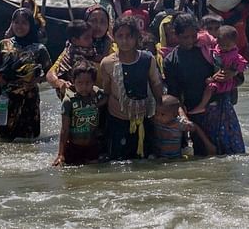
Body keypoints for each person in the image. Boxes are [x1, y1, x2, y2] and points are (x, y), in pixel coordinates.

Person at [163, 14, 245, 155]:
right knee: (204, 155)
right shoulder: (171, 61)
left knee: (232, 155)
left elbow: (240, 79)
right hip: (196, 115)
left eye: (193, 36)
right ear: (175, 35)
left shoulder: (209, 50)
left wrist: (232, 73)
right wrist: (184, 118)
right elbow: (174, 95)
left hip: (222, 109)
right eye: (185, 37)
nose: (190, 41)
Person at [98, 16, 164, 160]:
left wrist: (161, 106)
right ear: (114, 38)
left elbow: (155, 83)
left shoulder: (147, 59)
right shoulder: (107, 63)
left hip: (144, 114)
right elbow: (107, 90)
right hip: (118, 117)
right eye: (120, 36)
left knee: (146, 158)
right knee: (119, 159)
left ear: (136, 37)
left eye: (129, 36)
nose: (125, 40)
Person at [0, 8, 52, 141]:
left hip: (30, 98)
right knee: (3, 137)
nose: (20, 26)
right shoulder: (3, 45)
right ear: (12, 24)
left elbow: (50, 72)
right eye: (16, 22)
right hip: (6, 97)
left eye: (24, 23)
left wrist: (37, 80)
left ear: (30, 25)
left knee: (30, 138)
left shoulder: (39, 49)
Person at [53, 60, 108, 166]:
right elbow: (64, 130)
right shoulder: (68, 101)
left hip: (92, 146)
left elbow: (107, 97)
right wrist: (60, 154)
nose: (84, 87)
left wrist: (98, 104)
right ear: (73, 81)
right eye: (80, 83)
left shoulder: (98, 95)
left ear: (94, 82)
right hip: (73, 146)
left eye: (88, 83)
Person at [188, 25, 248, 115]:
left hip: (226, 96)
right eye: (210, 28)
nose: (224, 47)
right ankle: (201, 106)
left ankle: (201, 106)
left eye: (216, 28)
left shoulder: (233, 55)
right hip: (203, 99)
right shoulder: (210, 51)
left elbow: (241, 76)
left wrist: (234, 72)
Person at [46, 19, 98, 96]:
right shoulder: (75, 55)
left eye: (91, 37)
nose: (91, 40)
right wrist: (59, 83)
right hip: (76, 90)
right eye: (86, 38)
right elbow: (50, 75)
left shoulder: (71, 47)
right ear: (74, 40)